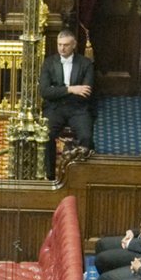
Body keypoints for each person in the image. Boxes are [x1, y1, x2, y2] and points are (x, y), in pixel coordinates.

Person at [37, 25, 96, 171]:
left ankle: (81, 173)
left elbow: (86, 92)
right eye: (60, 45)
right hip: (54, 108)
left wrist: (56, 91)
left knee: (86, 137)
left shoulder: (85, 64)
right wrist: (71, 89)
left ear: (74, 45)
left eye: (66, 45)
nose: (62, 48)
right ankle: (49, 174)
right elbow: (44, 92)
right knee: (47, 136)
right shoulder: (49, 63)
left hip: (78, 109)